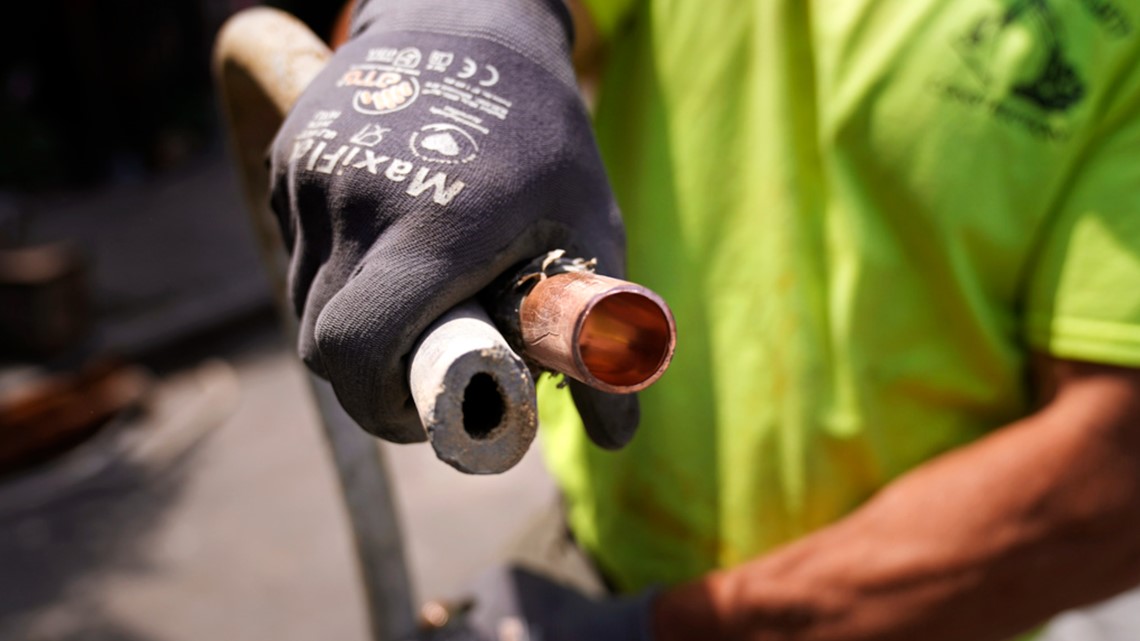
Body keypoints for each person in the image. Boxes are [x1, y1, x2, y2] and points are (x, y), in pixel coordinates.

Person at [269, 0, 1140, 639]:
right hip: (597, 551)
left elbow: (1113, 472)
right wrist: (458, 27)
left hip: (923, 616)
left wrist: (683, 631)